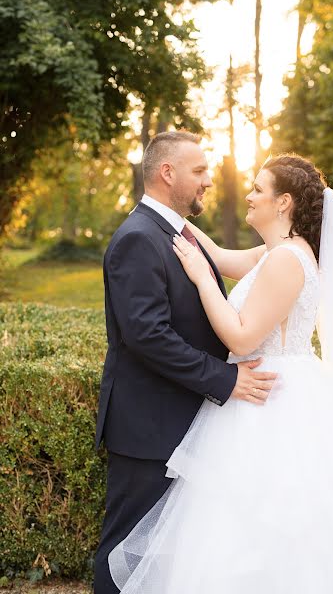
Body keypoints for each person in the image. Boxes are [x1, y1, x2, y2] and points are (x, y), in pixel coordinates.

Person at [108, 153, 333, 593]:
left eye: (258, 189)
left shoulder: (287, 260)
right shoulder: (277, 251)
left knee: (261, 526)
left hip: (271, 399)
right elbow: (223, 256)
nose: (248, 194)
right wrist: (171, 218)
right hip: (266, 391)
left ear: (283, 203)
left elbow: (242, 340)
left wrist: (202, 280)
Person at [93, 131, 277, 594]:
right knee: (125, 555)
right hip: (149, 427)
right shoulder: (138, 238)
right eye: (199, 171)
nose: (208, 182)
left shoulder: (177, 232)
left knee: (169, 558)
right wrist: (225, 379)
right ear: (166, 172)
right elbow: (147, 336)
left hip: (186, 420)